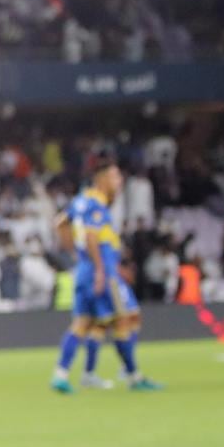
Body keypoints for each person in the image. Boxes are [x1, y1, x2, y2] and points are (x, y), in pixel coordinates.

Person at [51, 163, 160, 393]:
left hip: (83, 270)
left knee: (83, 324)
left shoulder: (80, 201)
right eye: (115, 177)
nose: (119, 182)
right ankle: (132, 376)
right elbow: (91, 236)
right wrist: (100, 269)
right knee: (125, 319)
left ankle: (61, 375)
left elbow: (59, 223)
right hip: (102, 273)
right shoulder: (97, 204)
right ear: (101, 180)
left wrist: (75, 253)